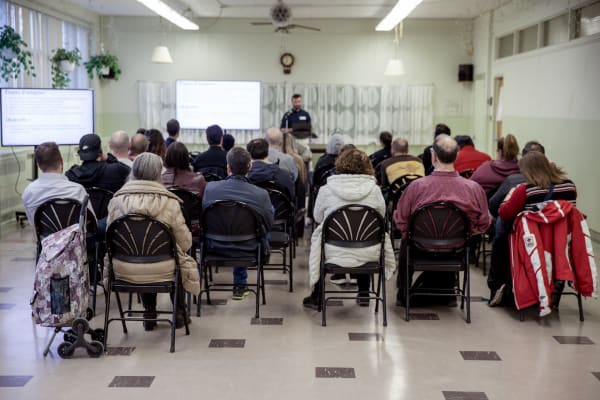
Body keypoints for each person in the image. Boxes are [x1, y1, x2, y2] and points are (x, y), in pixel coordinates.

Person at [394, 134, 491, 305]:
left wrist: (411, 234)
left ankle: (403, 293)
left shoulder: (416, 187)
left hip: (419, 247)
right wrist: (465, 234)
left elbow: (401, 220)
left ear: (433, 156)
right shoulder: (474, 188)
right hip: (457, 249)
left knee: (405, 239)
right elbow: (484, 223)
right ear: (457, 156)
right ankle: (447, 290)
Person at [107, 152, 199, 330]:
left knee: (144, 254)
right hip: (164, 267)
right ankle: (179, 313)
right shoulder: (170, 202)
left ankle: (149, 313)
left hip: (123, 267)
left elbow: (109, 238)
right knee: (176, 257)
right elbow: (185, 243)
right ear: (159, 174)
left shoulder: (116, 201)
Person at [303, 149, 396, 309]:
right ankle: (364, 294)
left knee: (322, 243)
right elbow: (380, 217)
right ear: (367, 166)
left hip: (333, 250)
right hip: (369, 250)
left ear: (340, 164)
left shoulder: (327, 189)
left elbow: (317, 217)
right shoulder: (375, 190)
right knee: (364, 238)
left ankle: (317, 296)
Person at [490, 152, 577, 309]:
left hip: (532, 246)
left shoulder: (525, 190)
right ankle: (554, 290)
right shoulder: (570, 186)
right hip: (560, 243)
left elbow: (505, 213)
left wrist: (507, 199)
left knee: (500, 238)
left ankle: (499, 287)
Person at [202, 148, 274, 300]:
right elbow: (269, 223)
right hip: (249, 247)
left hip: (213, 246)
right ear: (250, 167)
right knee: (253, 227)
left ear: (228, 167)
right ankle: (240, 285)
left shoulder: (210, 189)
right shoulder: (261, 194)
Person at [22, 142, 94, 225]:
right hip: (74, 237)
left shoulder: (28, 192)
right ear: (62, 161)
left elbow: (33, 223)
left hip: (45, 237)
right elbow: (90, 221)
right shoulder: (78, 190)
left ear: (38, 165)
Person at [488, 140, 545, 217]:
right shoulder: (562, 183)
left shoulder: (514, 182)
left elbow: (494, 206)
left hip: (521, 225)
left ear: (523, 159)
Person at [65, 133, 130, 194]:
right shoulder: (115, 170)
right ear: (100, 151)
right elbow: (129, 170)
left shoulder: (71, 175)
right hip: (110, 206)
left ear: (79, 153)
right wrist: (109, 157)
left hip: (84, 206)